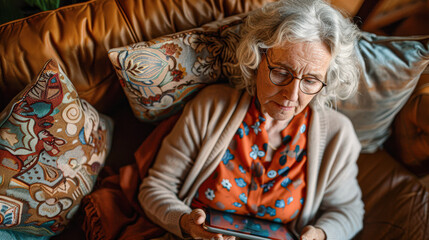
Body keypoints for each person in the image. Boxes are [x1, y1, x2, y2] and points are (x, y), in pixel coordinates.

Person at [139, 0, 364, 239]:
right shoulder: (211, 107)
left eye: (310, 80)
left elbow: (348, 211)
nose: (292, 95)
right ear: (257, 59)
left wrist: (320, 234)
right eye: (281, 72)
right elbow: (155, 189)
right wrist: (186, 223)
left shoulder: (338, 135)